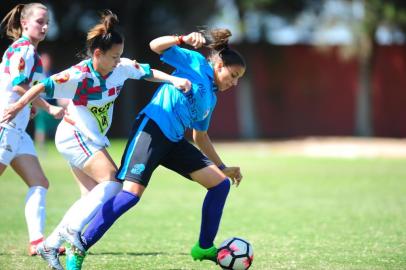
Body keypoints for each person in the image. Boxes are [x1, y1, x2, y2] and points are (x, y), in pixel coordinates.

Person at [1, 10, 191, 270]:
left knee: (93, 195)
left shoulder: (121, 68)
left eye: (120, 55)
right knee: (113, 183)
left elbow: (147, 72)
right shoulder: (78, 74)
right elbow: (41, 86)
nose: (118, 61)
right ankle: (69, 232)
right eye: (113, 56)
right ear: (98, 54)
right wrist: (19, 105)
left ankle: (50, 244)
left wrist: (174, 79)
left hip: (92, 139)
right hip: (73, 135)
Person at [65, 28, 246, 269]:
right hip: (151, 129)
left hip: (173, 141)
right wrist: (182, 39)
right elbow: (155, 45)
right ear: (220, 65)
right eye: (233, 76)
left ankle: (203, 247)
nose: (234, 83)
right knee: (129, 195)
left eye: (238, 80)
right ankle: (80, 244)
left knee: (220, 184)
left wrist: (222, 167)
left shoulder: (211, 99)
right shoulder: (196, 62)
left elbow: (200, 136)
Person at [0, 3, 66, 256]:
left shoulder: (30, 52)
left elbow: (20, 87)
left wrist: (31, 107)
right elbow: (19, 85)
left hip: (18, 131)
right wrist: (48, 109)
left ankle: (37, 242)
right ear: (25, 24)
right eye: (40, 21)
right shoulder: (24, 49)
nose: (45, 26)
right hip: (6, 126)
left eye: (47, 21)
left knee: (39, 182)